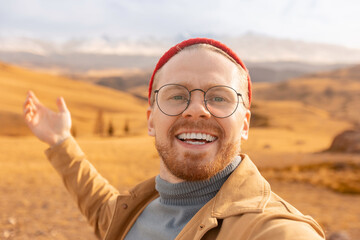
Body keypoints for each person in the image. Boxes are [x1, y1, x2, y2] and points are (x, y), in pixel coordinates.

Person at [23, 38, 325, 240]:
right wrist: (62, 140)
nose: (197, 110)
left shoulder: (273, 230)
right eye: (177, 95)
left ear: (245, 124)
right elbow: (102, 208)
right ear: (151, 120)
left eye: (219, 97)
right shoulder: (137, 212)